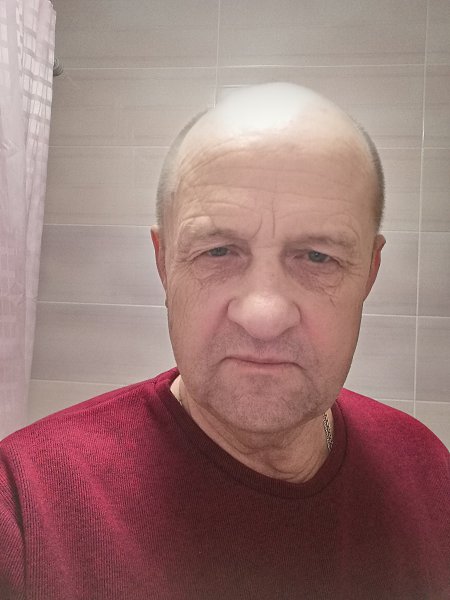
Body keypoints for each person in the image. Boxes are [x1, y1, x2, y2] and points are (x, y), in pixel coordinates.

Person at [0, 83, 448, 600]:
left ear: (369, 271)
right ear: (163, 262)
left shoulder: (427, 471)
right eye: (217, 251)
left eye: (318, 257)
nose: (264, 317)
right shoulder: (26, 508)